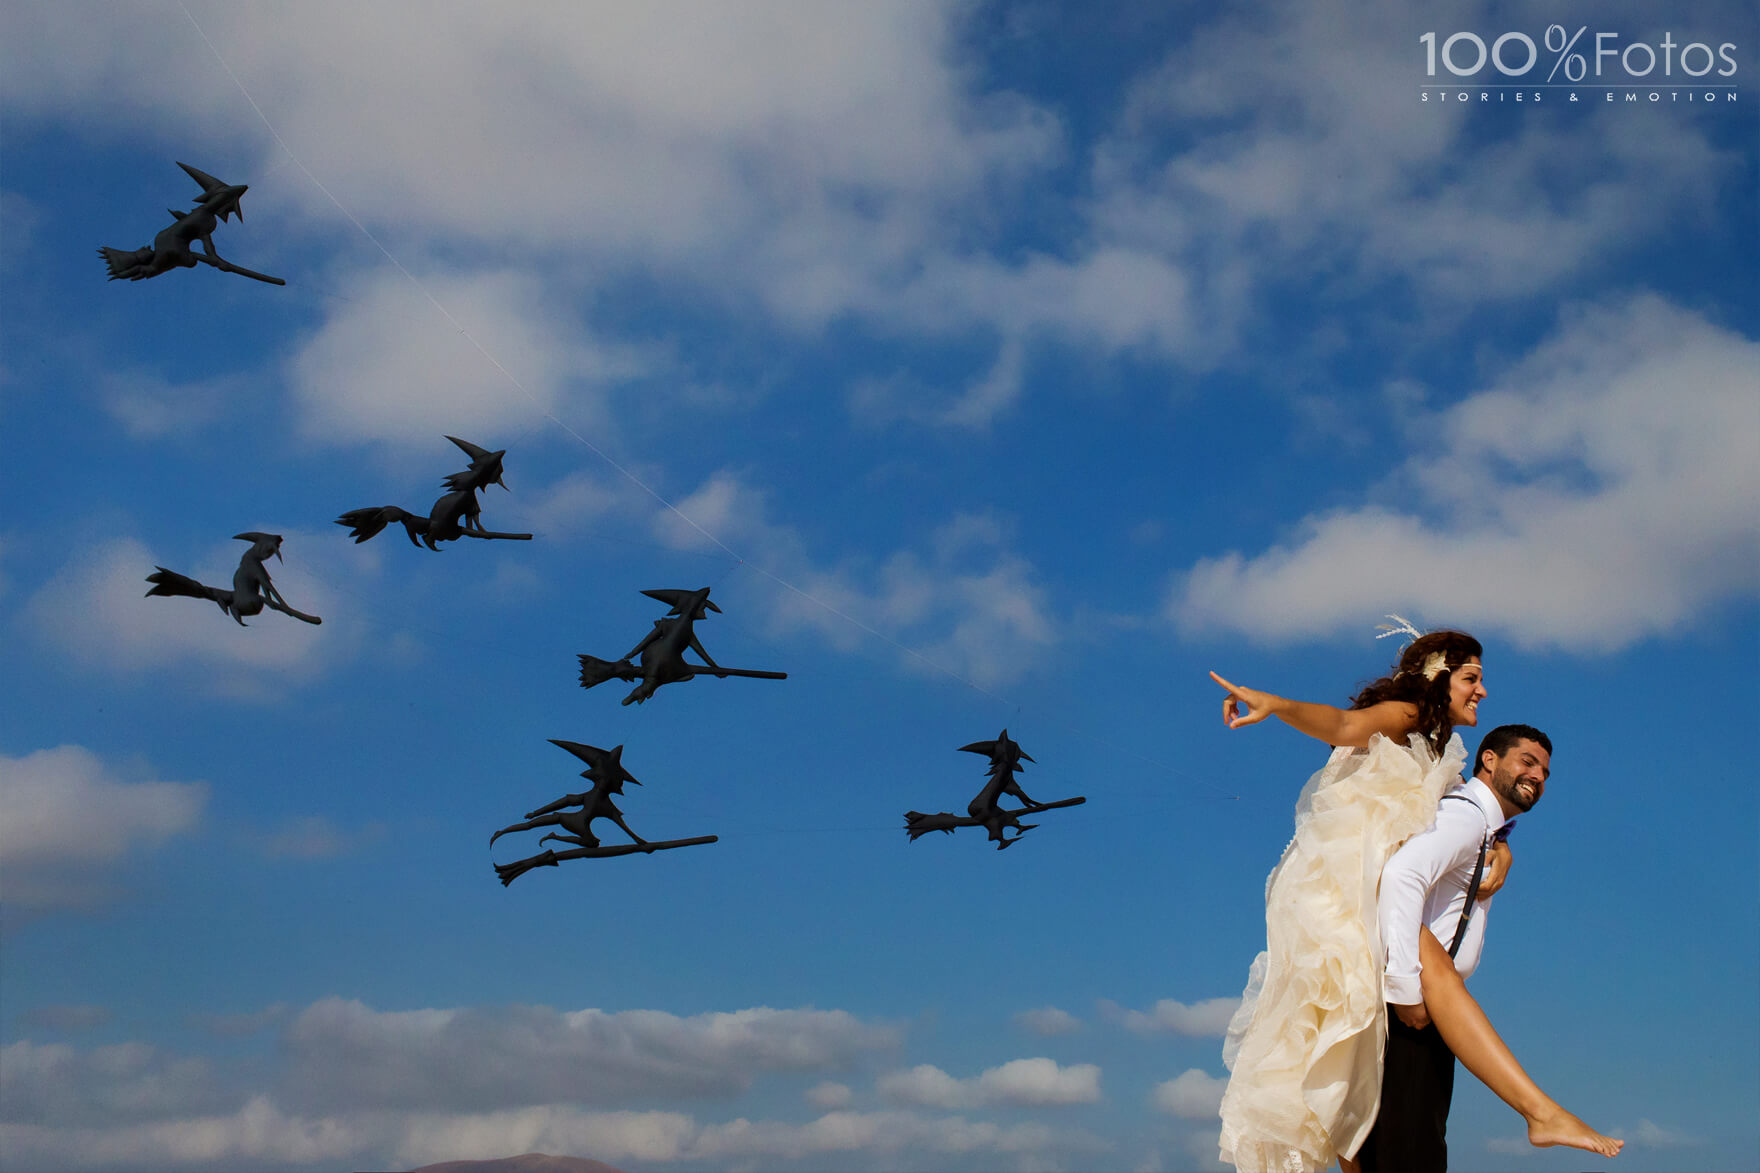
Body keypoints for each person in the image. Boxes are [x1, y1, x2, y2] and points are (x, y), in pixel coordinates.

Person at [1210, 631, 1619, 1172]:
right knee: (1432, 975)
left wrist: (1499, 849)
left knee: (1356, 1115)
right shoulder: (1408, 716)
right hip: (1354, 877)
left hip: (1375, 884)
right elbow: (1343, 726)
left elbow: (1445, 819)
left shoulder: (1448, 760)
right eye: (1471, 678)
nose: (1482, 691)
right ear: (1436, 677)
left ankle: (1536, 1111)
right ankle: (1538, 1110)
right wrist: (1276, 704)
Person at [1355, 724, 1621, 1171]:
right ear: (1490, 760)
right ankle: (1542, 1115)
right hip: (1415, 1007)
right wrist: (1405, 989)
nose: (1538, 776)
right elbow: (1402, 877)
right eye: (1527, 762)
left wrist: (1500, 844)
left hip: (1424, 1006)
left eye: (1545, 772)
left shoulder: (1480, 826)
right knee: (1411, 1153)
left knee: (1387, 1150)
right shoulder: (1466, 817)